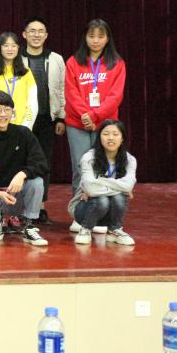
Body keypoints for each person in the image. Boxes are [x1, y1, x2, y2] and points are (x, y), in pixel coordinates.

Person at [0, 92, 49, 246]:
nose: (3, 114)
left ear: (13, 112)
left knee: (37, 182)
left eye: (7, 109)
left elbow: (41, 163)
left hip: (18, 196)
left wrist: (23, 174)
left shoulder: (24, 134)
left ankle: (29, 226)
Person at [64, 18, 126, 210]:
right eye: (91, 36)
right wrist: (86, 115)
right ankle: (78, 211)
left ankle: (102, 211)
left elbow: (116, 95)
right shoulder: (73, 62)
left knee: (104, 165)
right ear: (85, 37)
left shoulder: (117, 63)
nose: (96, 40)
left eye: (100, 36)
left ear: (108, 38)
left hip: (106, 124)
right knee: (80, 166)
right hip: (77, 123)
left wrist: (95, 116)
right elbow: (71, 92)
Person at [20, 17, 67, 224]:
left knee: (43, 163)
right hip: (22, 122)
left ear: (46, 35)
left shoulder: (56, 59)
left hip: (48, 120)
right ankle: (20, 208)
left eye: (41, 31)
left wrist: (61, 117)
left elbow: (63, 89)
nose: (36, 35)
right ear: (24, 34)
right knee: (21, 162)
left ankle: (40, 207)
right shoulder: (17, 57)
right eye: (32, 31)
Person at [69, 119, 136, 246]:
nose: (110, 138)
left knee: (118, 198)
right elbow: (90, 188)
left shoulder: (130, 160)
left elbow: (128, 186)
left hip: (111, 210)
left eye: (115, 134)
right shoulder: (89, 158)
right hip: (84, 209)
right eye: (106, 134)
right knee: (103, 200)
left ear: (122, 138)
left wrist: (100, 181)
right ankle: (86, 229)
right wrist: (120, 188)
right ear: (99, 137)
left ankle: (114, 230)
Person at [0, 32, 38, 129]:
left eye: (13, 46)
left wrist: (25, 127)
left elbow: (32, 103)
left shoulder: (26, 72)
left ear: (18, 48)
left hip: (23, 127)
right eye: (6, 46)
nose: (10, 49)